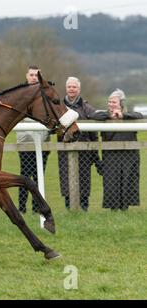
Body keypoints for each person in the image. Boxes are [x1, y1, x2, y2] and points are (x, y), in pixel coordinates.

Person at [90, 89, 142, 211]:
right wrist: (109, 116)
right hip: (111, 156)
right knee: (111, 184)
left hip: (129, 156)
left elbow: (139, 115)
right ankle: (113, 211)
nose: (111, 104)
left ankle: (125, 210)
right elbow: (92, 115)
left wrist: (123, 116)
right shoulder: (103, 116)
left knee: (127, 182)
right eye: (109, 102)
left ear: (121, 104)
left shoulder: (129, 116)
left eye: (114, 102)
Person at [58, 77, 102, 211]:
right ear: (66, 88)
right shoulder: (59, 107)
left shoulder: (87, 107)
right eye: (69, 87)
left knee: (84, 179)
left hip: (84, 151)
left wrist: (94, 151)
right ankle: (68, 208)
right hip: (65, 150)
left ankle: (84, 208)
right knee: (66, 179)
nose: (72, 89)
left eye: (74, 87)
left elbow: (93, 132)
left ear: (79, 89)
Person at [16, 66, 50, 214]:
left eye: (36, 75)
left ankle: (37, 207)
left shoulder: (45, 93)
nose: (34, 77)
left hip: (43, 141)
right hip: (25, 142)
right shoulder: (19, 93)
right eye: (31, 75)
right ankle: (21, 207)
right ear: (26, 76)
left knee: (39, 176)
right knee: (24, 175)